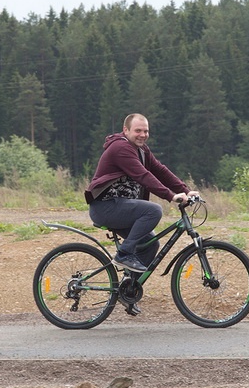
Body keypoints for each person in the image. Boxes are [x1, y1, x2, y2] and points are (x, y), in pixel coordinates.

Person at [85, 113, 198, 285]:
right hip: (106, 207)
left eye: (146, 131)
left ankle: (128, 288)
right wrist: (171, 196)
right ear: (126, 130)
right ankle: (124, 254)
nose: (143, 135)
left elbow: (160, 171)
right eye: (138, 130)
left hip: (121, 208)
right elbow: (143, 176)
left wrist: (185, 191)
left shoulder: (142, 150)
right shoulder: (120, 148)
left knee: (150, 244)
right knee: (153, 210)